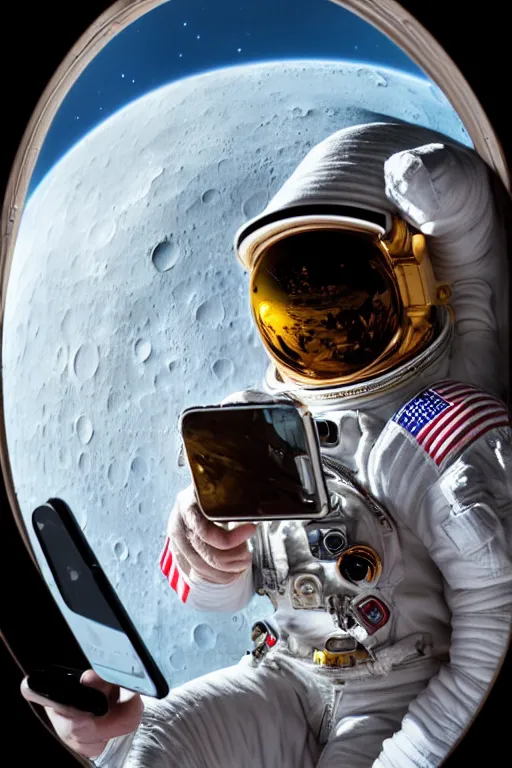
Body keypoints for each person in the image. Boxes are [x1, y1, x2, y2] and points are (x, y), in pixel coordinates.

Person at [22, 121, 512, 767]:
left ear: (412, 285)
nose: (325, 331)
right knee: (148, 746)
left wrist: (414, 758)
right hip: (285, 674)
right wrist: (208, 553)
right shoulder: (258, 427)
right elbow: (208, 594)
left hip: (402, 692)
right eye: (297, 315)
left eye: (346, 306)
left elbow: (496, 634)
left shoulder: (436, 429)